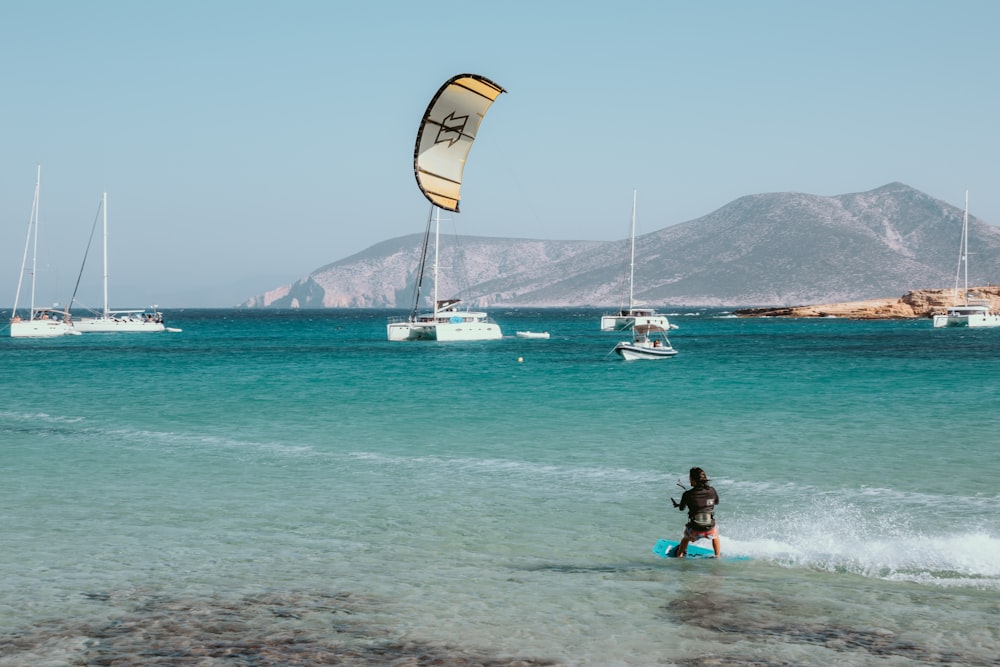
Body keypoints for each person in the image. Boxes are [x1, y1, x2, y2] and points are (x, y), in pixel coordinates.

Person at [671, 467, 720, 558]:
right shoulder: (712, 490)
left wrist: (679, 504)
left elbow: (682, 508)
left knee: (685, 538)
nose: (689, 480)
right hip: (709, 529)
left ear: (693, 481)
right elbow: (716, 502)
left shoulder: (687, 494)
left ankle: (680, 554)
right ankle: (717, 556)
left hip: (694, 530)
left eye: (690, 478)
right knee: (715, 535)